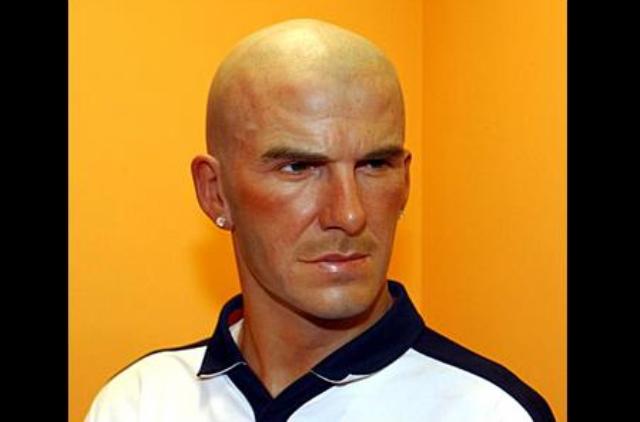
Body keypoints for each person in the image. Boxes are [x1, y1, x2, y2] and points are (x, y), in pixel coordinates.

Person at [84, 18, 555, 422]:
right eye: (298, 167)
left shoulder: (491, 412)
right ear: (214, 192)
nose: (348, 214)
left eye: (375, 164)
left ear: (406, 182)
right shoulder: (138, 403)